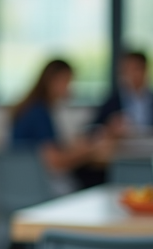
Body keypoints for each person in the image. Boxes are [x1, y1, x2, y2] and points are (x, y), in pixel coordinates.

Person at [11, 59, 96, 194]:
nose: (70, 88)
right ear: (52, 81)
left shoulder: (32, 109)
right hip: (42, 188)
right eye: (67, 81)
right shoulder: (39, 113)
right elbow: (54, 162)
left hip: (20, 186)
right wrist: (89, 151)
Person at [92, 50, 153, 140]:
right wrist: (109, 128)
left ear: (146, 70)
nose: (129, 75)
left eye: (135, 69)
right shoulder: (111, 104)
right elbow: (93, 131)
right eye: (125, 71)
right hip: (123, 148)